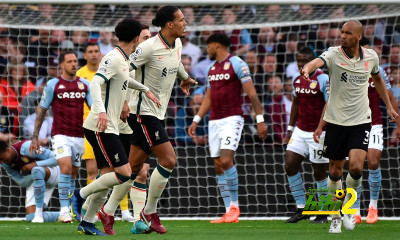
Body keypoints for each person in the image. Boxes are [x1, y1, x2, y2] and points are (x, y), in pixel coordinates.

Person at [301, 20, 398, 234]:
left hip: (361, 120)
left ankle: (350, 208)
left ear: (358, 37)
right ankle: (335, 215)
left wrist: (389, 106)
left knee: (356, 167)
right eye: (341, 32)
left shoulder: (371, 57)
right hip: (335, 121)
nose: (343, 36)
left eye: (348, 33)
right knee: (335, 172)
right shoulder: (334, 54)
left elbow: (378, 79)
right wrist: (307, 68)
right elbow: (317, 62)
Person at [77, 19, 160, 236]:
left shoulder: (124, 59)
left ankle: (86, 222)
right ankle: (80, 195)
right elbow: (95, 82)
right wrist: (101, 111)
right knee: (124, 173)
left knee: (106, 178)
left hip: (111, 126)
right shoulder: (113, 57)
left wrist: (144, 89)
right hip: (100, 125)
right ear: (135, 39)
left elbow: (124, 80)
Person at [128, 6, 197, 234]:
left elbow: (175, 62)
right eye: (182, 20)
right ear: (170, 24)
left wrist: (185, 77)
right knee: (168, 160)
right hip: (142, 112)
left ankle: (91, 204)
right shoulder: (147, 47)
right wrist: (134, 96)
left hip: (157, 113)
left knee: (131, 169)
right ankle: (149, 211)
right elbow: (123, 71)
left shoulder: (176, 44)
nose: (185, 23)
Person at [188, 33, 268, 223]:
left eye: (208, 46)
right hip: (214, 120)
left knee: (225, 160)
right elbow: (208, 97)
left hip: (233, 119)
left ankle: (234, 207)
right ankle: (228, 212)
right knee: (218, 165)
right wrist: (196, 119)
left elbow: (252, 93)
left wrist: (260, 119)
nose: (207, 50)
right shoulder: (211, 69)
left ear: (216, 45)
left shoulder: (237, 63)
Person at [29, 50, 92, 223]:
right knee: (65, 168)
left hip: (79, 136)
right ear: (62, 65)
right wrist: (35, 137)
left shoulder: (84, 84)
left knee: (72, 174)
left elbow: (94, 108)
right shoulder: (53, 85)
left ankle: (71, 208)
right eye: (70, 61)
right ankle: (64, 210)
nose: (74, 64)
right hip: (60, 135)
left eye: (75, 61)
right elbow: (42, 110)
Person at [353, 38, 400, 224]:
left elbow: (390, 97)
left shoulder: (378, 71)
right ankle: (354, 209)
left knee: (373, 161)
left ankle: (373, 206)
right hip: (352, 124)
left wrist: (398, 125)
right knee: (355, 167)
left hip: (374, 123)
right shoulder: (347, 70)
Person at [284, 47, 329, 224]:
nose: (301, 64)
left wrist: (321, 128)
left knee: (318, 172)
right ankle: (302, 208)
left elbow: (330, 104)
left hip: (319, 132)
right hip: (300, 130)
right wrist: (290, 127)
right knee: (290, 165)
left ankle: (324, 212)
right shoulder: (296, 79)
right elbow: (295, 102)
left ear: (313, 61)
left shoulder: (323, 79)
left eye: (304, 61)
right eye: (298, 61)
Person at [0, 139, 59, 223]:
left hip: (53, 172)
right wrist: (33, 174)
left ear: (8, 150)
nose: (1, 162)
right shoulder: (5, 164)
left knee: (36, 170)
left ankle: (40, 211)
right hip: (36, 180)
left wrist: (36, 164)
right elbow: (22, 182)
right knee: (31, 218)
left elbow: (57, 159)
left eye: (2, 158)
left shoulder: (27, 147)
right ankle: (65, 214)